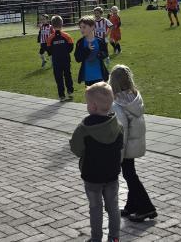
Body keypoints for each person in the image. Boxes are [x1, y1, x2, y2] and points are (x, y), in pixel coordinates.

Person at [69, 82, 123, 242]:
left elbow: (76, 149)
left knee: (95, 208)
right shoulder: (118, 126)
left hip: (92, 175)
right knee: (113, 207)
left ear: (93, 106)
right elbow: (120, 148)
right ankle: (114, 238)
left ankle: (96, 238)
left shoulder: (84, 129)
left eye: (87, 103)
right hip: (112, 174)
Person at [110, 65, 157, 222]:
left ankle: (146, 208)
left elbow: (122, 131)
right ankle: (132, 206)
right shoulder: (134, 97)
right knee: (130, 173)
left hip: (126, 147)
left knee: (130, 175)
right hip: (135, 144)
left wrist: (119, 155)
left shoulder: (118, 103)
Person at [75, 16, 109, 86]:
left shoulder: (100, 41)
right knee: (90, 93)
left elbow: (106, 53)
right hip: (88, 76)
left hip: (99, 75)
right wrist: (87, 50)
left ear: (92, 27)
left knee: (100, 92)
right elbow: (78, 58)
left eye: (84, 27)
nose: (82, 30)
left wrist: (100, 54)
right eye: (80, 27)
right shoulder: (80, 42)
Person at [46, 15, 74, 102]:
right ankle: (70, 91)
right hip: (66, 59)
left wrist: (55, 54)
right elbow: (71, 47)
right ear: (62, 24)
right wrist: (65, 52)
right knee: (68, 74)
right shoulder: (67, 36)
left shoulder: (50, 38)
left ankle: (61, 95)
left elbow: (49, 49)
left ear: (52, 25)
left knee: (58, 77)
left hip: (56, 60)